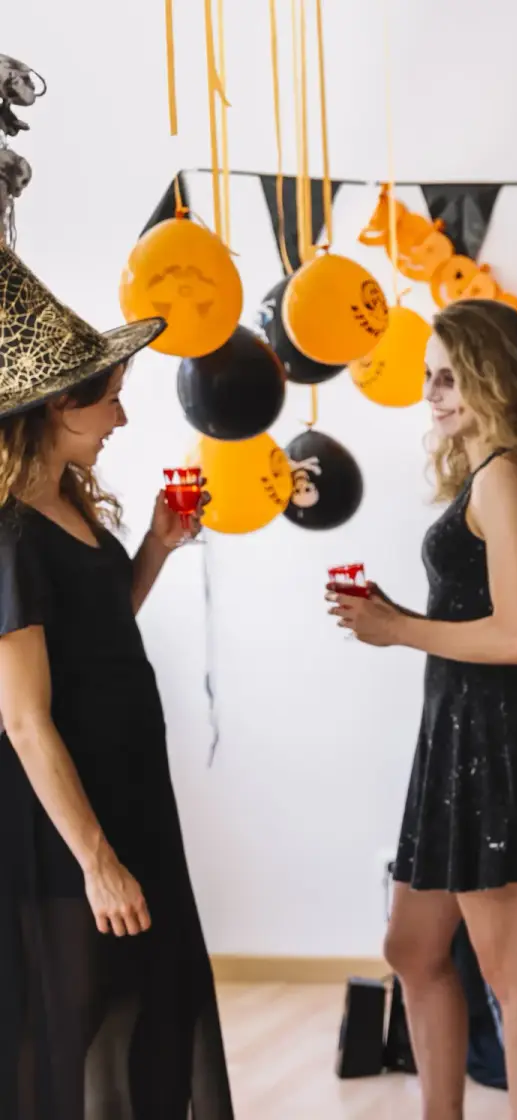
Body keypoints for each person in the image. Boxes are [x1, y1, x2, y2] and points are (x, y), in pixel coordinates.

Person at [331, 297, 517, 1120]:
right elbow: (476, 612)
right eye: (429, 377)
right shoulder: (489, 473)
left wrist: (399, 628)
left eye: (451, 377)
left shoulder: (509, 474)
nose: (434, 393)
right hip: (457, 740)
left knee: (512, 971)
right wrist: (400, 618)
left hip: (499, 742)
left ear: (496, 378)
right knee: (412, 949)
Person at [0, 245, 233, 1118]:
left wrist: (156, 552)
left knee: (148, 998)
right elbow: (24, 719)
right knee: (67, 1020)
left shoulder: (69, 500)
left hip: (131, 793)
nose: (121, 420)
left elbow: (96, 640)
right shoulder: (11, 536)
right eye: (109, 400)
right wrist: (96, 862)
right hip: (65, 823)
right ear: (53, 407)